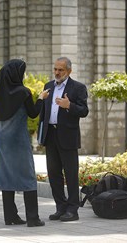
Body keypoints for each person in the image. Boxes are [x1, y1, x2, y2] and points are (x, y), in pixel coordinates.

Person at [0, 59, 49, 227]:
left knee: (6, 177)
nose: (24, 74)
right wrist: (41, 98)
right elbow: (33, 113)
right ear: (16, 74)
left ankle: (10, 217)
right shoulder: (23, 92)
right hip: (19, 141)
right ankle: (33, 218)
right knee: (28, 177)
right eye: (23, 71)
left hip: (3, 141)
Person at [37, 57, 89, 222]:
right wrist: (41, 134)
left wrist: (69, 106)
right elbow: (43, 113)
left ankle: (73, 210)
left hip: (68, 136)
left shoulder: (78, 88)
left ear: (69, 71)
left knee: (71, 174)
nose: (57, 73)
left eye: (61, 70)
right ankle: (61, 207)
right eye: (56, 69)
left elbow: (84, 111)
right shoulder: (48, 86)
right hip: (50, 135)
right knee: (53, 174)